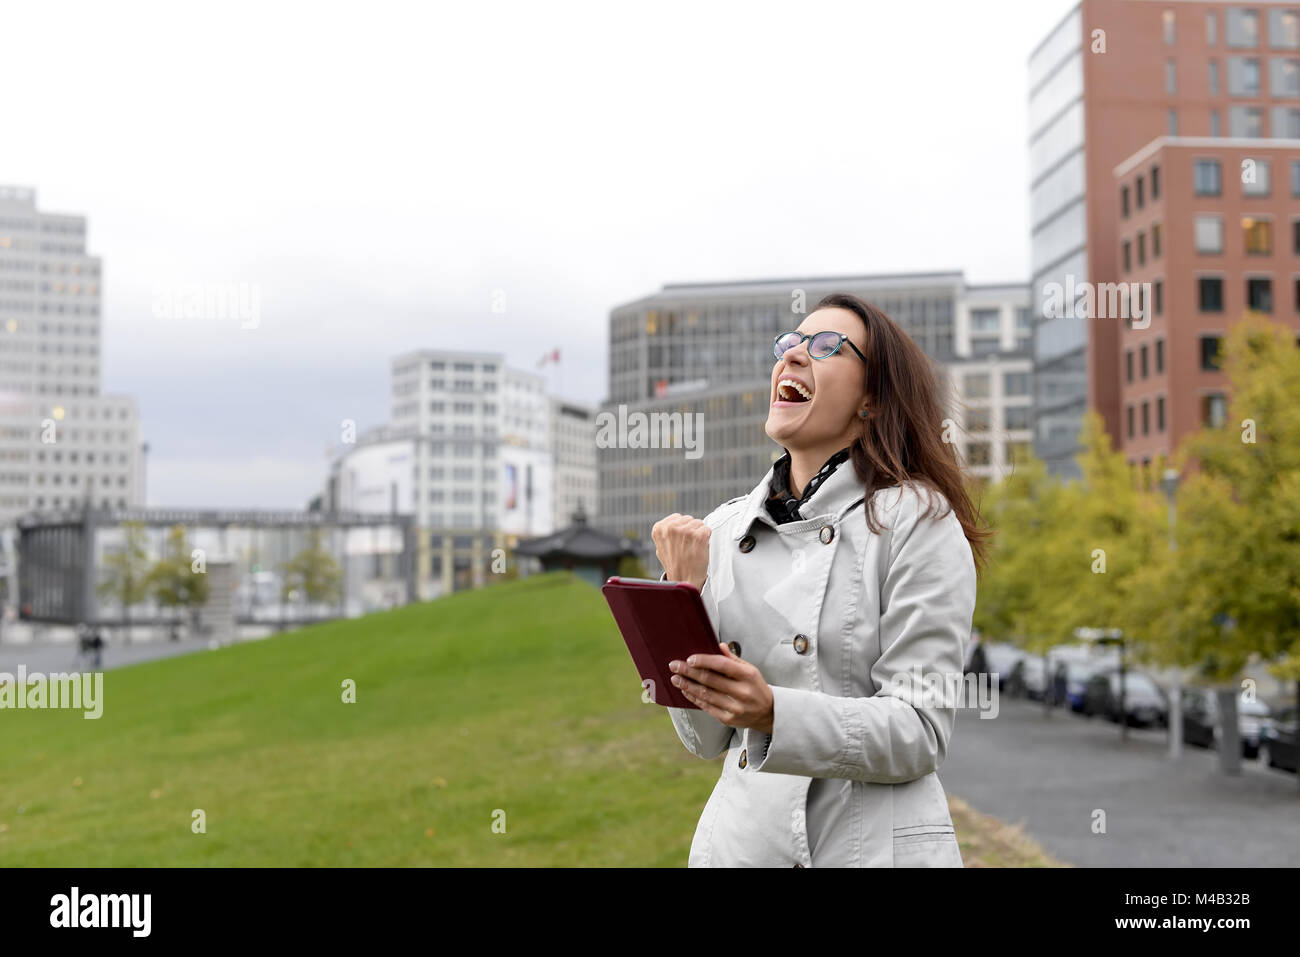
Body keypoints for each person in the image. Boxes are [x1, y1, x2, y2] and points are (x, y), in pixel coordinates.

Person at [652, 292, 988, 868]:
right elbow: (705, 741)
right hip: (744, 847)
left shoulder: (917, 519)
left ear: (873, 400)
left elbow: (918, 732)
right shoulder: (721, 531)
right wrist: (686, 600)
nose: (795, 357)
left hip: (868, 849)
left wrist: (774, 713)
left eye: (827, 347)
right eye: (788, 344)